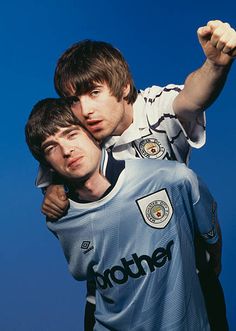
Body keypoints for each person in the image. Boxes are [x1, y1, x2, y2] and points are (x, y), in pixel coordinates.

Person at [37, 19, 235, 330]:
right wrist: (56, 190)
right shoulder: (79, 135)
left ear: (124, 87)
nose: (85, 110)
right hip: (119, 286)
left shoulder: (156, 109)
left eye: (93, 92)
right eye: (74, 99)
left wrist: (215, 64)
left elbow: (193, 96)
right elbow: (54, 174)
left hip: (181, 274)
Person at [25, 98, 223, 330]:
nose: (67, 150)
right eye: (51, 147)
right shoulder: (59, 216)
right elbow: (93, 278)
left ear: (92, 134)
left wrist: (208, 268)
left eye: (71, 134)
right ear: (46, 165)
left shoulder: (170, 178)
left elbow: (210, 239)